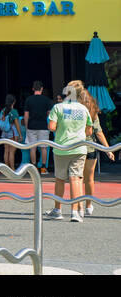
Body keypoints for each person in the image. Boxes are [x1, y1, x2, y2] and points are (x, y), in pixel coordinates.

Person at [46, 82, 91, 222]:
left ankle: (58, 210)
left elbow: (51, 127)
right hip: (79, 147)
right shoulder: (84, 109)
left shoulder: (58, 107)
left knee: (60, 179)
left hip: (61, 148)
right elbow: (89, 130)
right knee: (76, 178)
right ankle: (75, 212)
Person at [72, 80, 114, 216]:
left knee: (77, 178)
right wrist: (108, 149)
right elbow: (99, 131)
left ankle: (79, 207)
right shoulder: (93, 110)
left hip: (76, 147)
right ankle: (89, 205)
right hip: (91, 148)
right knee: (89, 179)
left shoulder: (74, 110)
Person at [22, 81, 53, 174]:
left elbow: (26, 115)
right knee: (44, 148)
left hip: (32, 126)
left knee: (33, 147)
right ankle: (43, 168)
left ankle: (34, 167)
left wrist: (27, 126)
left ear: (33, 89)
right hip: (43, 126)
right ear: (42, 89)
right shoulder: (47, 100)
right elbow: (49, 114)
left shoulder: (28, 100)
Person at [0, 94, 24, 169]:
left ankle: (7, 169)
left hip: (4, 133)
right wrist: (20, 135)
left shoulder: (3, 110)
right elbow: (17, 125)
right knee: (12, 152)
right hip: (12, 132)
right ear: (14, 102)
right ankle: (12, 169)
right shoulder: (14, 111)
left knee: (6, 151)